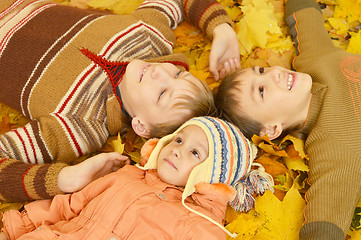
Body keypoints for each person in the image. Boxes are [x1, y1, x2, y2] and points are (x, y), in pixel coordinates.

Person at [0, 0, 241, 202]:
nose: (160, 72)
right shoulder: (148, 35)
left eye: (162, 94)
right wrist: (221, 28)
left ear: (141, 126)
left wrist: (64, 179)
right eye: (178, 73)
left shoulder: (80, 125)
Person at [214, 0, 361, 239]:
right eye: (261, 91)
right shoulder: (335, 147)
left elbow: (303, 13)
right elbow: (324, 224)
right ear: (271, 129)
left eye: (260, 71)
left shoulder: (315, 60)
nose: (273, 74)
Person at [0, 116, 273, 240]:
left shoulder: (201, 227)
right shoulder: (128, 175)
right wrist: (16, 227)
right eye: (178, 139)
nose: (177, 150)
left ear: (212, 175)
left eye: (194, 152)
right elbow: (68, 205)